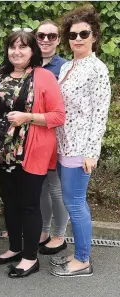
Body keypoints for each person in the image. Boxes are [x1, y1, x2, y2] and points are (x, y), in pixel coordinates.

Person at [0, 28, 65, 279]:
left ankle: (30, 258)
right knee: (9, 202)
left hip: (30, 151)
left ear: (32, 51)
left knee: (29, 204)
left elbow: (58, 116)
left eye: (22, 47)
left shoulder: (44, 77)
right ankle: (15, 248)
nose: (16, 52)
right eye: (12, 47)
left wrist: (28, 117)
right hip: (3, 152)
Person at [50, 5, 111, 277]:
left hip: (79, 148)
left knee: (75, 202)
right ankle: (78, 253)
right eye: (72, 34)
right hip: (62, 146)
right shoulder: (66, 66)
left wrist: (92, 152)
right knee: (72, 200)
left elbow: (100, 113)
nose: (77, 38)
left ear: (94, 35)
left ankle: (83, 259)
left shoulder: (97, 69)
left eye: (83, 33)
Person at [35, 20, 70, 255]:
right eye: (41, 36)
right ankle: (44, 230)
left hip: (58, 136)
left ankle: (60, 234)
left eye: (52, 36)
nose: (46, 40)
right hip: (36, 136)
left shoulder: (65, 67)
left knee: (56, 187)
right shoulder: (31, 64)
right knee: (41, 188)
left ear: (59, 40)